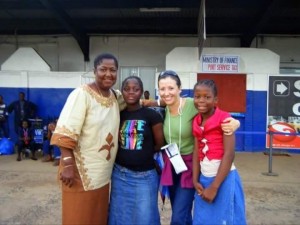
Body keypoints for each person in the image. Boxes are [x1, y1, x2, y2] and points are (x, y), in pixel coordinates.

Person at [155, 70, 240, 225]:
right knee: (181, 212)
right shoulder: (163, 108)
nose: (167, 93)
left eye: (171, 88)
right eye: (162, 89)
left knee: (179, 217)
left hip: (189, 166)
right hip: (172, 164)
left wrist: (235, 122)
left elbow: (214, 109)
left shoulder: (191, 105)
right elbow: (158, 102)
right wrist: (143, 102)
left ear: (179, 89)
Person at [50, 53, 125, 225]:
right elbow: (65, 131)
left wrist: (162, 102)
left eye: (113, 70)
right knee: (78, 216)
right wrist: (67, 164)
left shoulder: (114, 96)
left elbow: (133, 101)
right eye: (103, 69)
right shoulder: (81, 95)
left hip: (102, 174)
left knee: (97, 216)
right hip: (80, 174)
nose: (108, 74)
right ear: (94, 71)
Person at [108, 76, 165, 225]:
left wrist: (142, 154)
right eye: (127, 89)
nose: (131, 92)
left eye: (136, 89)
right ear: (122, 92)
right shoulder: (117, 115)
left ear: (141, 92)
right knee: (120, 215)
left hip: (145, 176)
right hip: (120, 174)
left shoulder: (152, 115)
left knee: (145, 217)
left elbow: (159, 143)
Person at [192, 79, 247, 225]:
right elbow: (196, 152)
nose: (201, 100)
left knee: (226, 219)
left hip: (224, 180)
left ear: (215, 100)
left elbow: (229, 154)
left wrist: (215, 187)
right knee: (202, 219)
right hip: (204, 180)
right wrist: (195, 179)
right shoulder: (196, 121)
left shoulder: (225, 119)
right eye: (197, 96)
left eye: (207, 97)